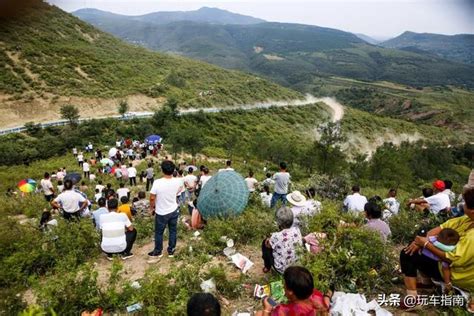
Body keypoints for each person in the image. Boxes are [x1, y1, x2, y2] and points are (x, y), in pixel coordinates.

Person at [400, 186, 474, 311]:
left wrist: (425, 244)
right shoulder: (466, 220)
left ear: (472, 210)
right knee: (416, 246)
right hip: (450, 264)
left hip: (456, 273)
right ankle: (426, 283)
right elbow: (441, 228)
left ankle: (412, 300)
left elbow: (452, 259)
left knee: (407, 253)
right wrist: (420, 242)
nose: (462, 206)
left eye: (465, 204)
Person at [256, 266, 329, 316]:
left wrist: (267, 310)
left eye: (284, 283)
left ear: (291, 291)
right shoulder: (317, 295)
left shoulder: (285, 311)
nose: (283, 285)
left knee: (259, 314)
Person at [148, 160, 183, 262]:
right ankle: (171, 250)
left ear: (162, 170)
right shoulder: (177, 181)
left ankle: (158, 251)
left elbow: (152, 197)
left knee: (159, 232)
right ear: (173, 170)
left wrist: (152, 208)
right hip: (173, 209)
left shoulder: (158, 182)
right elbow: (180, 189)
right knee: (173, 230)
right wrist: (173, 194)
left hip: (161, 212)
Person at [262, 207, 302, 274]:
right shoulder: (297, 230)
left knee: (264, 243)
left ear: (278, 222)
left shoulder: (276, 236)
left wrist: (269, 240)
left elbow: (268, 245)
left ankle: (267, 267)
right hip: (296, 267)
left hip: (282, 269)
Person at [420, 228, 460, 293]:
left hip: (422, 256)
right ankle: (446, 284)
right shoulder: (447, 250)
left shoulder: (432, 240)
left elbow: (424, 240)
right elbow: (445, 269)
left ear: (438, 236)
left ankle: (425, 285)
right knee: (445, 268)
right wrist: (447, 282)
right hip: (433, 262)